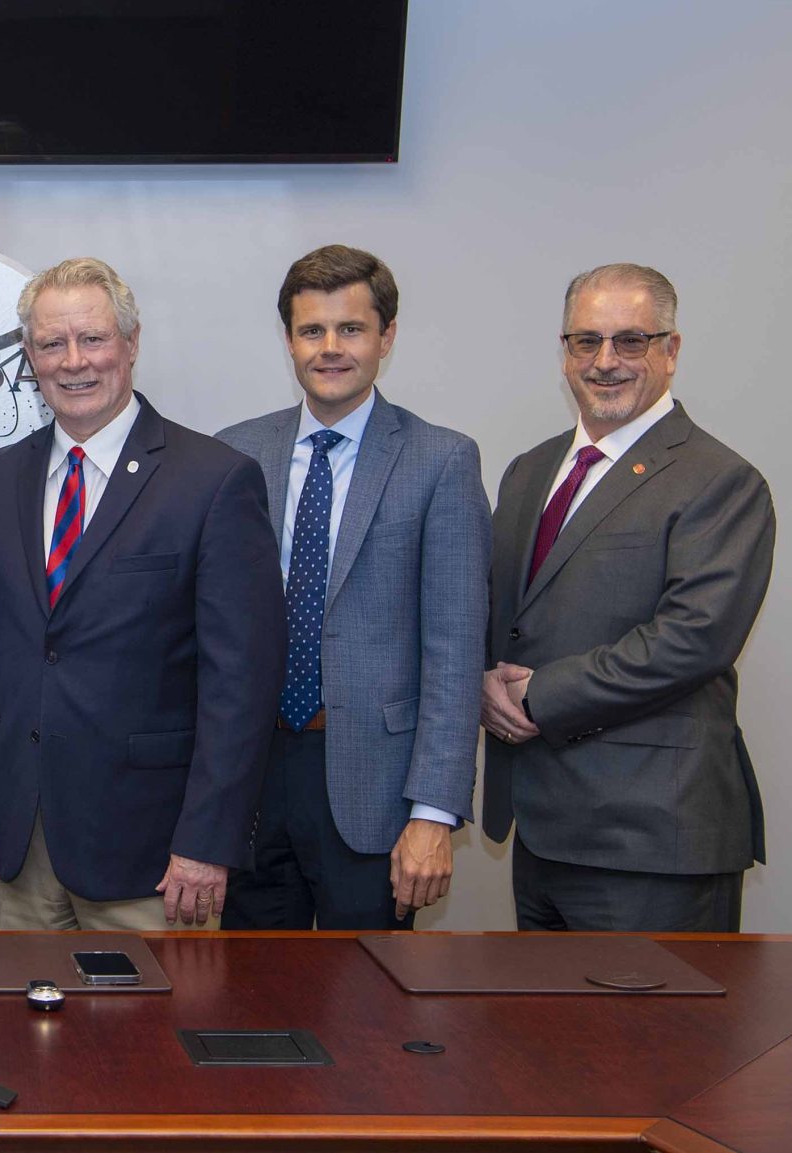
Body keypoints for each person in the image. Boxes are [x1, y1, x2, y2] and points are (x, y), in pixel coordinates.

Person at [0, 256, 284, 930]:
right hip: (19, 842)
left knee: (148, 1036)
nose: (74, 362)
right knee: (22, 1031)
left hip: (155, 854)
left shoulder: (213, 480)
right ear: (29, 356)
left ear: (130, 342)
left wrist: (207, 841)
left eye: (92, 338)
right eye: (51, 343)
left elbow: (241, 681)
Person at [482, 263, 773, 932]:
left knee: (652, 1041)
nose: (605, 361)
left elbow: (692, 640)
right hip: (542, 832)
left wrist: (536, 695)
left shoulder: (720, 481)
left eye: (630, 341)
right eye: (586, 340)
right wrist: (479, 682)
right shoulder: (530, 471)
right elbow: (506, 618)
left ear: (671, 351)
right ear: (564, 353)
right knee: (543, 1038)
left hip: (651, 841)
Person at [215, 245, 489, 930]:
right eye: (312, 330)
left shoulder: (442, 460)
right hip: (252, 780)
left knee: (368, 1014)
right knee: (249, 1006)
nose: (330, 348)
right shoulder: (234, 454)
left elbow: (455, 652)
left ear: (386, 336)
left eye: (351, 329)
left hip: (376, 789)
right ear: (288, 340)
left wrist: (433, 811)